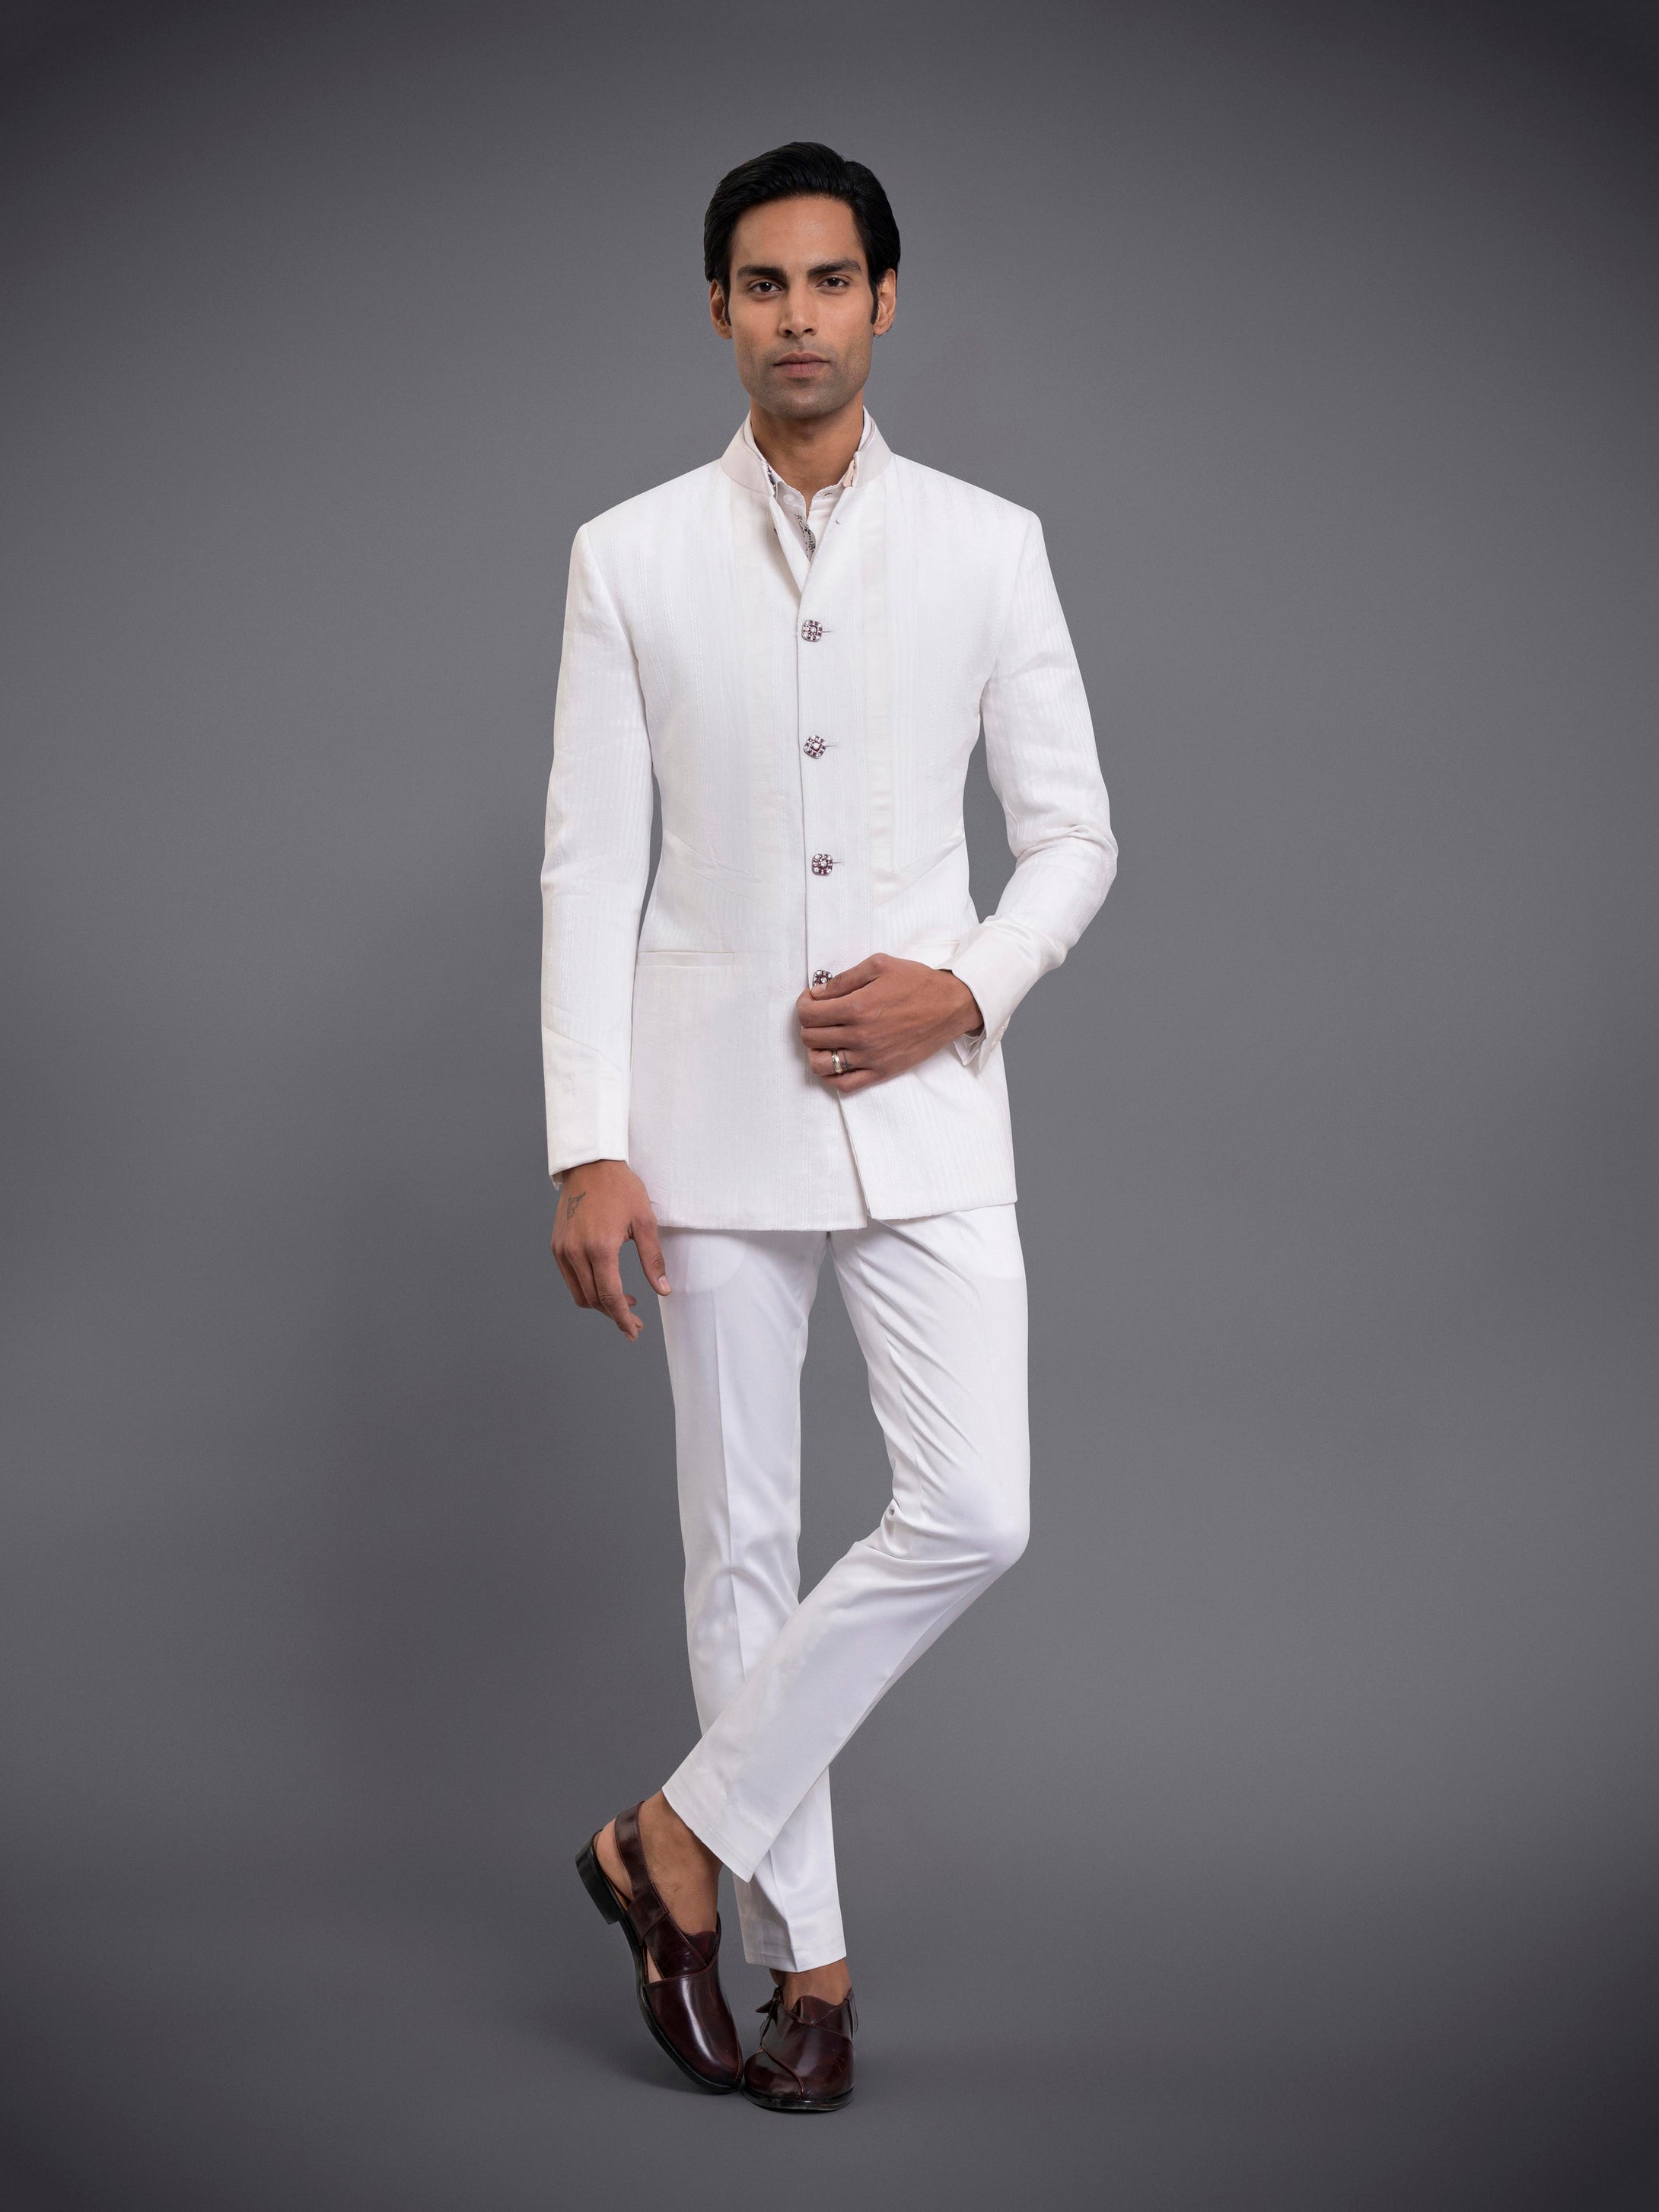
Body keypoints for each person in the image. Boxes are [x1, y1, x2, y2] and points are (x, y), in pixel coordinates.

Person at [543, 142, 1116, 2113]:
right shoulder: (627, 555)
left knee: (975, 1507)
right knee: (741, 1548)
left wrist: (969, 983)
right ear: (719, 309)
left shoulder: (987, 544)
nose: (799, 315)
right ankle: (819, 1972)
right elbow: (587, 865)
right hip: (701, 1119)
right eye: (764, 283)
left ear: (885, 299)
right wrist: (586, 1139)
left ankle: (666, 1838)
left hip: (929, 1114)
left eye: (831, 279)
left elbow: (1072, 835)